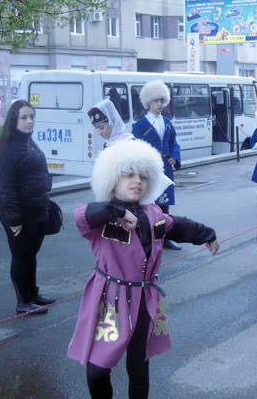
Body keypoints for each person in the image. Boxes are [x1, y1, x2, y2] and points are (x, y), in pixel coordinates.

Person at [68, 139, 219, 399]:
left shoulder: (153, 213)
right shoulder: (101, 218)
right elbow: (81, 215)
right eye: (128, 174)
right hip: (110, 300)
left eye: (143, 176)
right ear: (112, 179)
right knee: (97, 370)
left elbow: (177, 226)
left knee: (138, 366)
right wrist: (117, 211)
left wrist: (207, 234)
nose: (137, 180)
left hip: (144, 300)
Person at [0, 100, 56, 314]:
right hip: (20, 214)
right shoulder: (8, 150)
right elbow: (7, 188)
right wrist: (14, 219)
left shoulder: (29, 142)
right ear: (13, 120)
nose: (29, 121)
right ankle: (23, 302)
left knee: (31, 255)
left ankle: (32, 294)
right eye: (24, 117)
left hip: (36, 209)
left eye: (32, 117)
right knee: (21, 256)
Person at [132, 80, 182, 250]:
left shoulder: (167, 122)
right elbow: (136, 147)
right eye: (156, 100)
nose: (159, 104)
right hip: (149, 170)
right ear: (148, 102)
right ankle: (147, 239)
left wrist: (175, 157)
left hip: (165, 169)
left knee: (164, 205)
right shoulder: (139, 125)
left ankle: (164, 238)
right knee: (148, 204)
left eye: (162, 100)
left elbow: (174, 142)